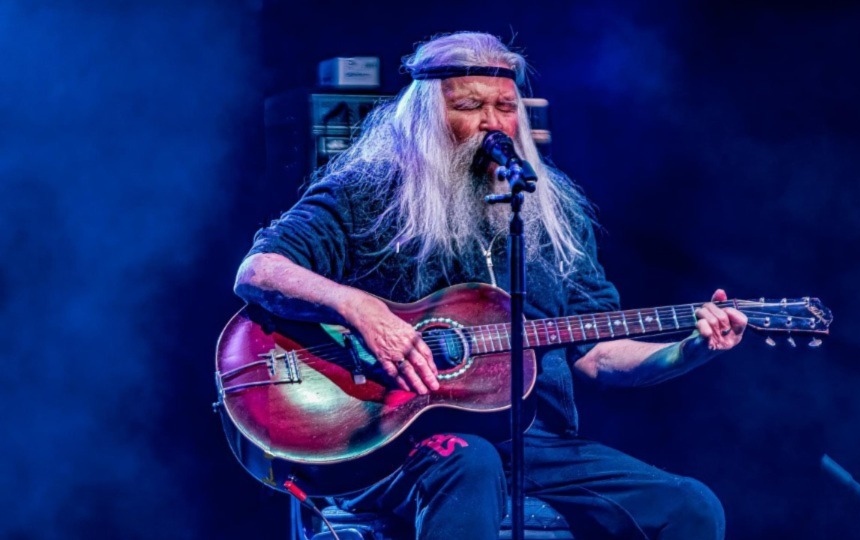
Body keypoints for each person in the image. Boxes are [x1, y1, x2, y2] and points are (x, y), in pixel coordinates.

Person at [235, 31, 747, 540]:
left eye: (505, 106)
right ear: (427, 116)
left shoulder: (552, 213)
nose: (491, 122)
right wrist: (361, 309)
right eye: (469, 105)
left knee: (690, 506)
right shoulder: (367, 193)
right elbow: (259, 271)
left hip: (534, 441)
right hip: (394, 439)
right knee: (471, 462)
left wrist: (688, 351)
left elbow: (597, 355)